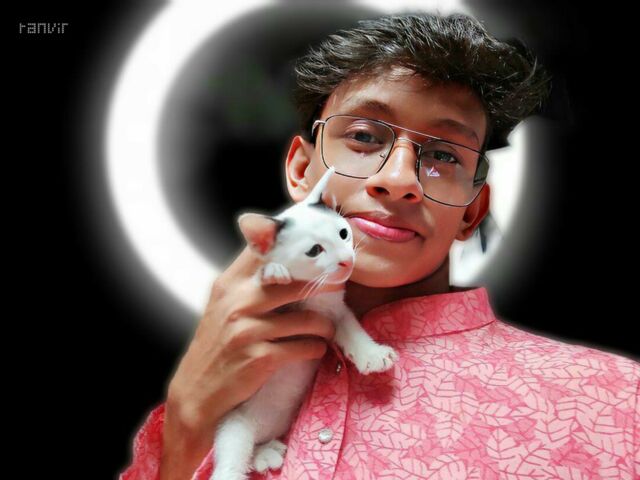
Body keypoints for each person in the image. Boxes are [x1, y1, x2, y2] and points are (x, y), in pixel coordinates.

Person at [119, 12, 639, 480]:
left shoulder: (614, 401)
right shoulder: (200, 405)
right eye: (365, 137)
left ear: (472, 211)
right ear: (301, 170)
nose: (398, 179)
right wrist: (187, 421)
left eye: (443, 155)